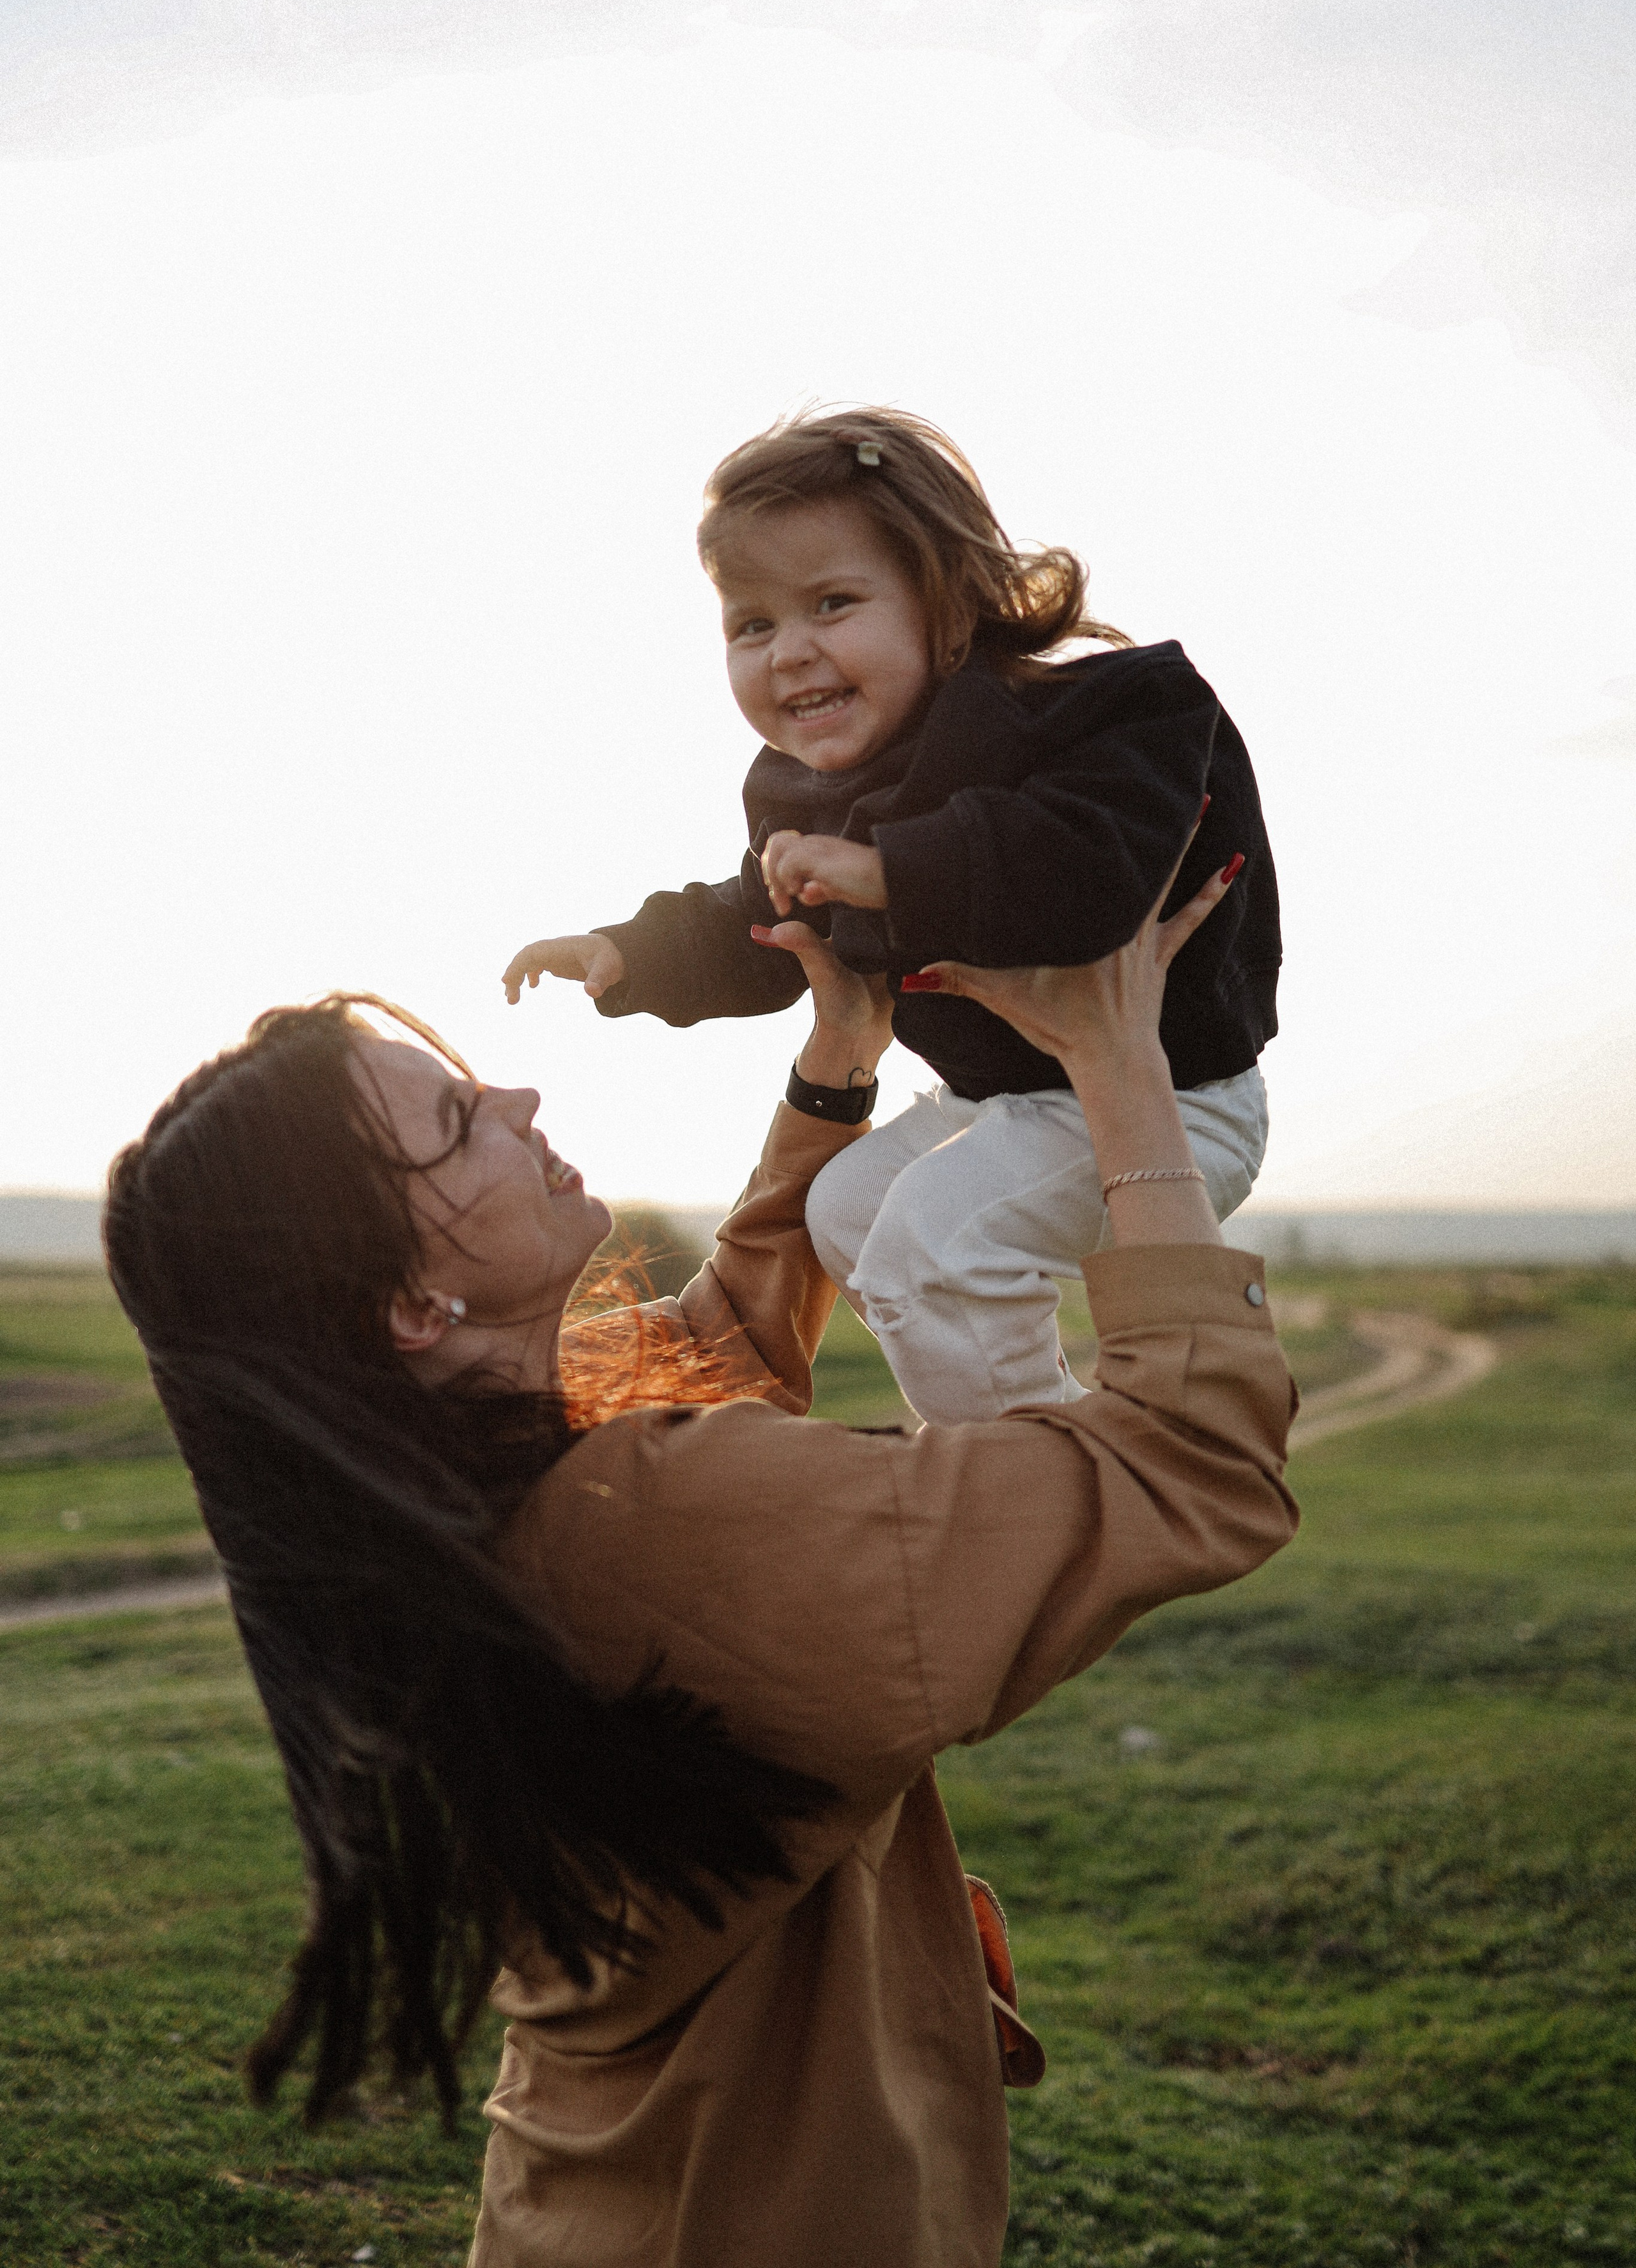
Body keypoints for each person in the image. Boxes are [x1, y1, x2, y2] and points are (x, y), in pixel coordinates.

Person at [105, 859, 1297, 2268]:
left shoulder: (464, 1497)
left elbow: (711, 1350)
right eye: (453, 1122)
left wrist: (838, 1060)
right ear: (410, 1304)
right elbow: (1191, 1467)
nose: (516, 1100)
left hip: (601, 2205)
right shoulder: (655, 1528)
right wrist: (1120, 1071)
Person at [502, 406, 1281, 1422]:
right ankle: (1036, 1409)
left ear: (947, 603)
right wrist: (632, 954)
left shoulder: (1108, 716)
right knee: (850, 1213)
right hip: (994, 1105)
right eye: (752, 624)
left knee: (932, 1244)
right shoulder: (807, 795)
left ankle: (1026, 1478)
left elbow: (1090, 870)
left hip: (1179, 1101)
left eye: (831, 603)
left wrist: (888, 872)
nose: (788, 651)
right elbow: (760, 915)